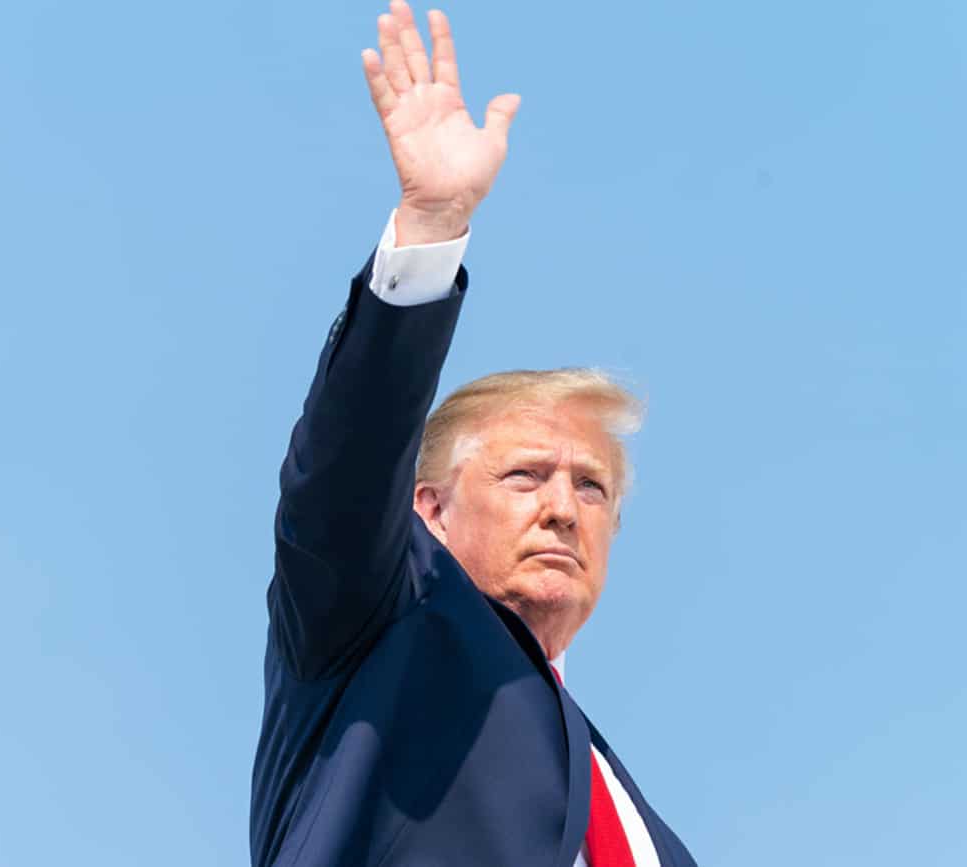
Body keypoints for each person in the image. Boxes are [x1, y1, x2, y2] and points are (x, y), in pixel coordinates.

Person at [251, 3, 697, 865]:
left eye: (592, 486)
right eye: (526, 474)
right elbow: (348, 466)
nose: (564, 508)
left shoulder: (634, 815)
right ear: (428, 510)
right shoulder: (376, 622)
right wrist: (431, 226)